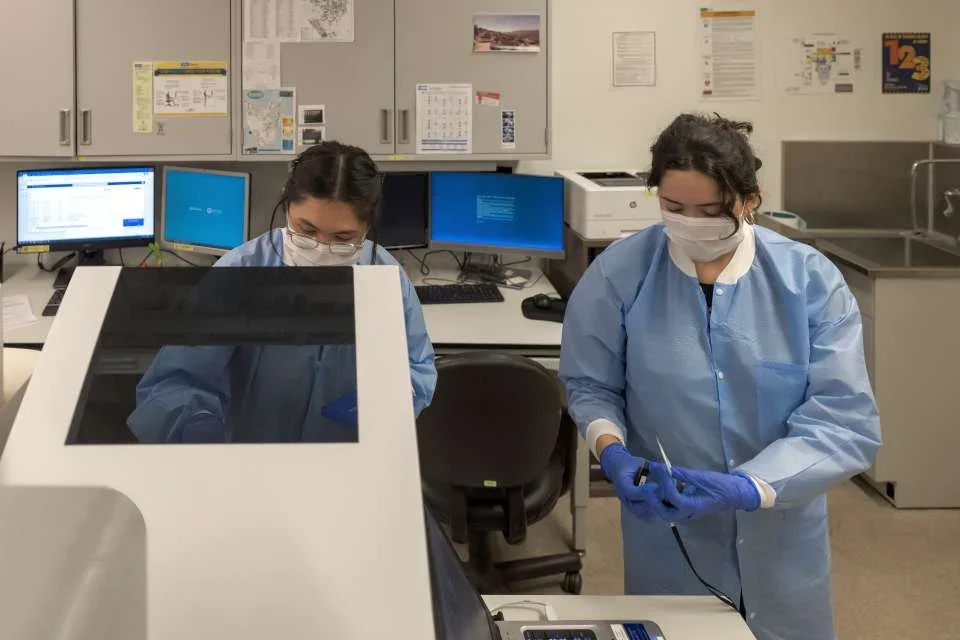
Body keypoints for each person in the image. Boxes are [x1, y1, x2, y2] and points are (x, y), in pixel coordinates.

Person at [559, 113, 881, 640]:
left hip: (781, 535)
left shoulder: (808, 281)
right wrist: (611, 449)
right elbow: (591, 385)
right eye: (673, 208)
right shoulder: (621, 273)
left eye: (710, 210)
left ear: (748, 199)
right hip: (670, 537)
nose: (690, 223)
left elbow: (844, 421)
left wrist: (747, 488)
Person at [128, 141, 437, 443]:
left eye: (343, 238)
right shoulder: (241, 272)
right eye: (307, 230)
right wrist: (194, 425)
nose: (321, 250)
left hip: (347, 459)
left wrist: (391, 399)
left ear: (367, 227)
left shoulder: (385, 278)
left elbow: (417, 367)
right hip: (256, 460)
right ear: (287, 207)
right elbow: (175, 379)